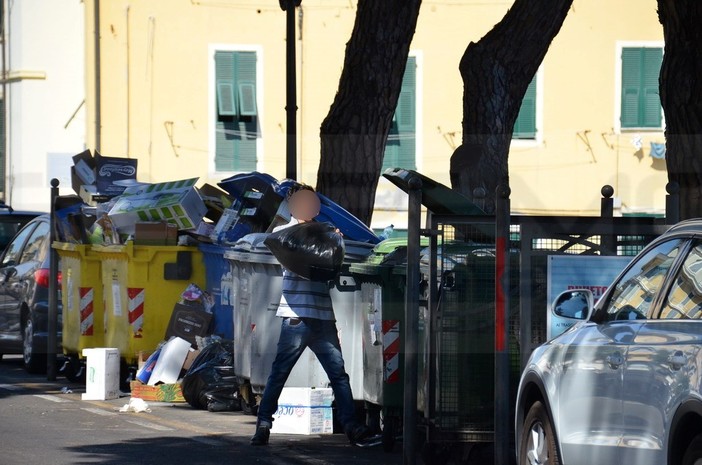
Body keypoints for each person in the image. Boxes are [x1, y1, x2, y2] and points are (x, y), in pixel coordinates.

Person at [250, 184, 370, 446]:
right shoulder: (285, 233)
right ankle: (263, 425)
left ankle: (351, 426)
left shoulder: (323, 233)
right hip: (296, 315)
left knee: (338, 373)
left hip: (323, 315)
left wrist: (335, 239)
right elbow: (273, 242)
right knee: (280, 372)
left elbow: (332, 266)